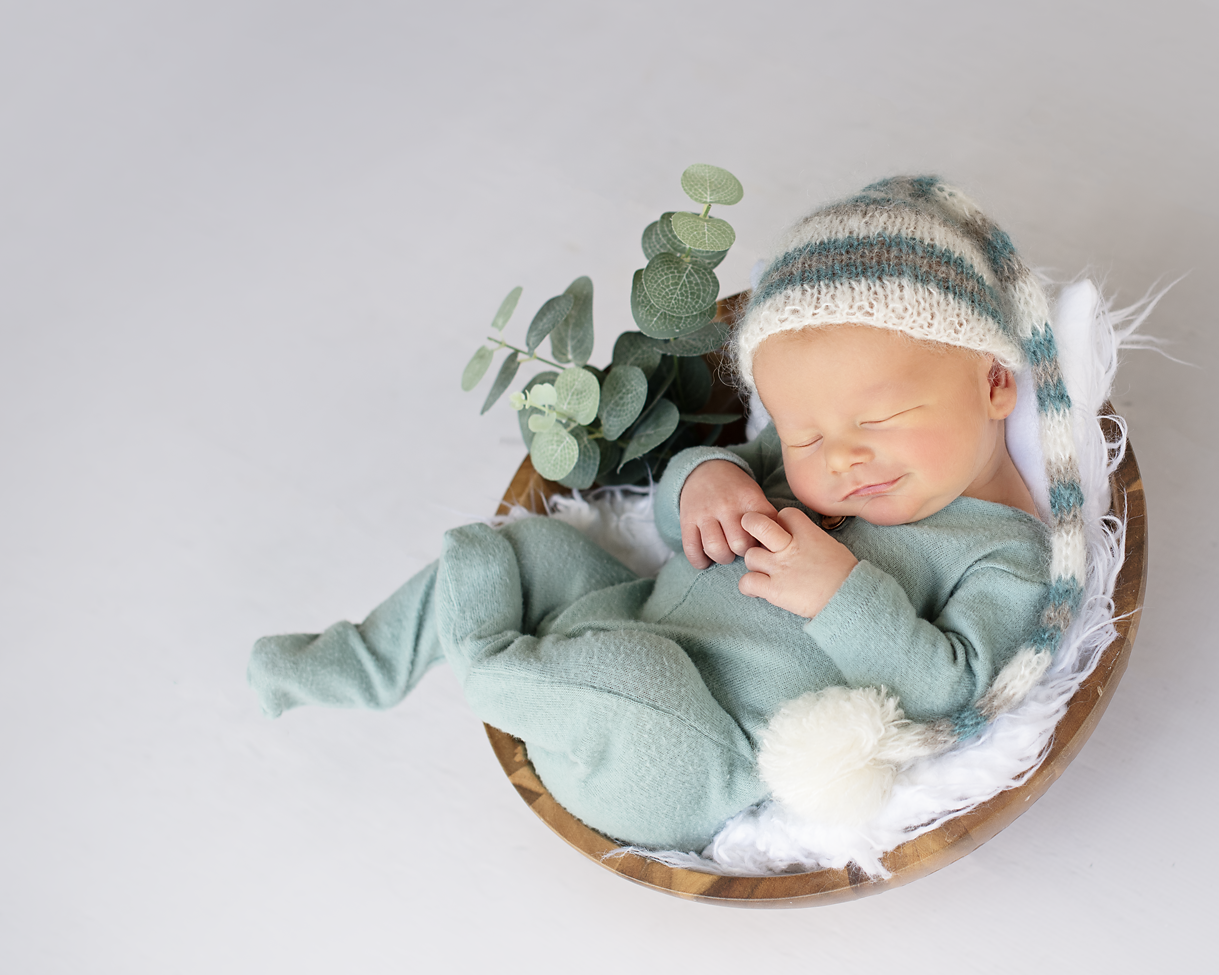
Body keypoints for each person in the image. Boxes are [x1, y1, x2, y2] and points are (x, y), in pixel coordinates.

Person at [249, 176, 1085, 852]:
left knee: (634, 680)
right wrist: (706, 478)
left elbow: (957, 688)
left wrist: (842, 592)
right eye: (804, 432)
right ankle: (361, 662)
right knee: (530, 549)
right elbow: (677, 505)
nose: (839, 459)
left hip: (692, 748)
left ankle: (484, 661)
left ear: (994, 382)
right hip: (633, 616)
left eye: (878, 421)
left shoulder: (1004, 555)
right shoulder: (808, 471)